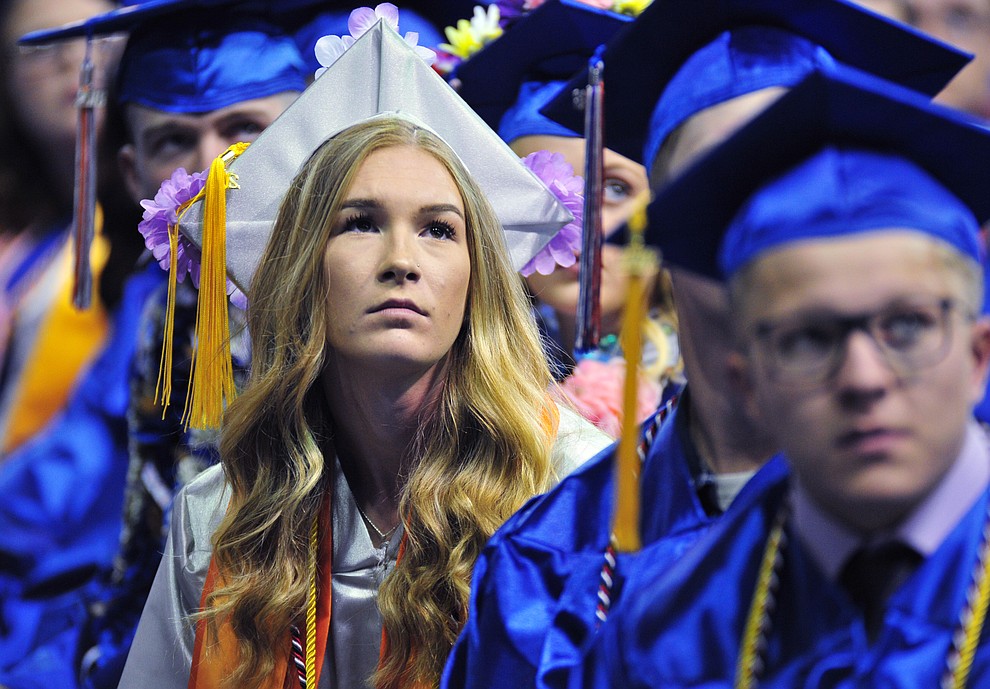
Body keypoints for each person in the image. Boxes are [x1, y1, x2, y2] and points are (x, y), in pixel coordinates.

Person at [441, 1, 972, 688]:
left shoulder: (961, 511)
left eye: (798, 173)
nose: (770, 213)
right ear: (660, 224)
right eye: (725, 177)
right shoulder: (548, 559)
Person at [120, 19, 610, 689]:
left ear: (479, 277)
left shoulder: (573, 491)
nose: (401, 261)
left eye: (439, 228)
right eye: (360, 223)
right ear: (304, 269)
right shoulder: (221, 517)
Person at [589, 65, 990, 689]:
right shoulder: (669, 634)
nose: (863, 378)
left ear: (980, 355)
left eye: (907, 326)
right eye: (809, 338)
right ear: (747, 382)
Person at [0, 2, 316, 687]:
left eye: (245, 129)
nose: (214, 170)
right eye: (174, 140)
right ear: (133, 169)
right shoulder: (161, 316)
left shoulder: (350, 319)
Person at [0, 0, 119, 456]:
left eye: (100, 34)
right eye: (43, 43)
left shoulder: (161, 236)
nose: (76, 58)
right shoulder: (22, 237)